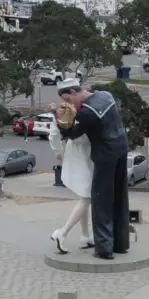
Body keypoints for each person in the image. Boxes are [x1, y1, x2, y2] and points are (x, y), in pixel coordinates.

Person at [55, 78, 130, 260]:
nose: (67, 103)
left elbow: (72, 134)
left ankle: (104, 249)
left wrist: (56, 117)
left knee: (101, 201)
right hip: (121, 147)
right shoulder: (105, 95)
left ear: (74, 92)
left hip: (105, 155)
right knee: (120, 198)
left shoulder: (88, 112)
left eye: (67, 99)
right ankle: (120, 243)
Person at [48, 100, 94, 254]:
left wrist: (57, 150)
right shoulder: (82, 118)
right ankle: (63, 233)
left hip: (73, 156)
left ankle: (85, 236)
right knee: (86, 198)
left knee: (84, 196)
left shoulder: (61, 119)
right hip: (85, 158)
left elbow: (54, 134)